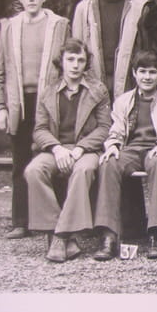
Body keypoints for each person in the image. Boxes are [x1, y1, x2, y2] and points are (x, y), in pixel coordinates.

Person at [24, 38, 111, 262]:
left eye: (80, 60)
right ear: (61, 62)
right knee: (34, 170)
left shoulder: (98, 90)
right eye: (70, 59)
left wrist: (81, 148)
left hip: (87, 150)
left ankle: (60, 236)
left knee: (83, 171)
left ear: (86, 63)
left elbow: (104, 128)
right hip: (56, 149)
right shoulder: (48, 92)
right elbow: (40, 129)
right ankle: (61, 233)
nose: (75, 65)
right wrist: (56, 149)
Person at [0, 0, 69, 239]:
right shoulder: (10, 27)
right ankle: (21, 221)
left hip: (48, 101)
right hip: (19, 103)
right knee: (21, 161)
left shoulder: (59, 25)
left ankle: (59, 222)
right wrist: (1, 106)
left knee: (53, 157)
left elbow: (67, 65)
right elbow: (0, 71)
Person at [93, 50, 157, 260]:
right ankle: (109, 235)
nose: (147, 77)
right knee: (108, 163)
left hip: (156, 147)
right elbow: (117, 129)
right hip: (132, 149)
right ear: (134, 73)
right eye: (142, 71)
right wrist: (112, 145)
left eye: (152, 72)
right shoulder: (124, 101)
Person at [72, 0, 148, 100]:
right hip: (93, 77)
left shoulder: (138, 7)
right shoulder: (85, 7)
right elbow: (77, 46)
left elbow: (144, 49)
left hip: (128, 80)